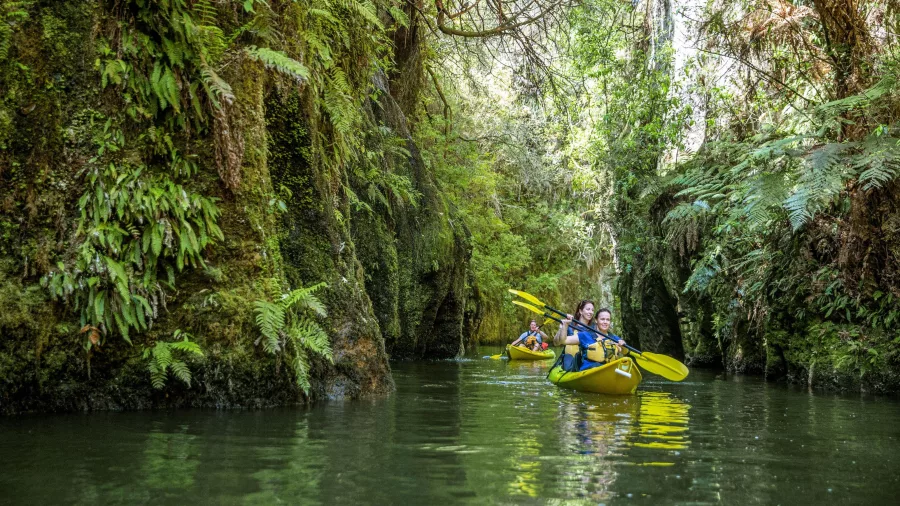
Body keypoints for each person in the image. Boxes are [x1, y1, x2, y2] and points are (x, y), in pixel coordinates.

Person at [555, 302, 626, 371]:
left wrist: (622, 345)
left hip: (607, 368)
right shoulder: (585, 334)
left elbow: (625, 351)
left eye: (607, 320)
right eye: (602, 319)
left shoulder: (612, 337)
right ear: (596, 320)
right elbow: (561, 341)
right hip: (586, 367)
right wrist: (564, 326)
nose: (605, 322)